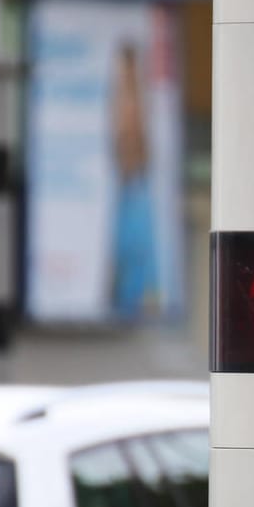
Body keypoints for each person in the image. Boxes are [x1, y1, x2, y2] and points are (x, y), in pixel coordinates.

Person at [110, 43, 160, 319]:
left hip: (135, 176)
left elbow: (134, 137)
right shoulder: (124, 99)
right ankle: (130, 294)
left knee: (137, 241)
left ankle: (139, 294)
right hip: (129, 177)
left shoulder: (133, 100)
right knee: (130, 241)